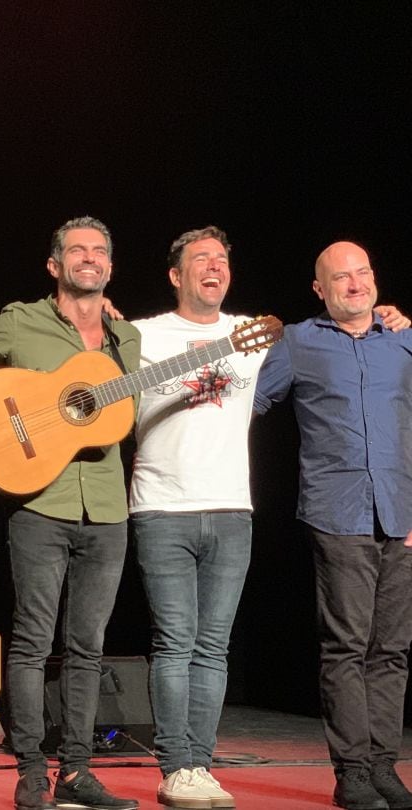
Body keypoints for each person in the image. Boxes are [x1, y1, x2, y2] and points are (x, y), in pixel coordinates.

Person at [0, 217, 140, 810]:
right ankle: (32, 768)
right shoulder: (20, 321)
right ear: (55, 265)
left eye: (100, 251)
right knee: (31, 642)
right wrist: (4, 423)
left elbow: (119, 404)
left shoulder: (125, 337)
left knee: (88, 647)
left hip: (107, 508)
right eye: (77, 250)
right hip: (38, 502)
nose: (90, 258)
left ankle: (77, 772)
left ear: (110, 266)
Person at [254, 241, 412, 810]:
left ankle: (382, 765)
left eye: (363, 272)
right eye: (340, 277)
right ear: (320, 289)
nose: (355, 283)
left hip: (402, 515)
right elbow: (249, 405)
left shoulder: (404, 341)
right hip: (337, 511)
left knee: (392, 649)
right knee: (346, 646)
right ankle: (352, 771)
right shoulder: (297, 342)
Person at [127, 226, 264, 809]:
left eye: (221, 259)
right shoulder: (141, 334)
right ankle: (175, 765)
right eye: (199, 259)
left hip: (232, 507)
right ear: (175, 275)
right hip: (161, 506)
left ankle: (201, 766)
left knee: (213, 645)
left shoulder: (252, 333)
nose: (214, 266)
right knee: (175, 641)